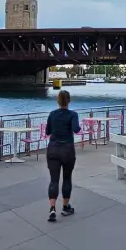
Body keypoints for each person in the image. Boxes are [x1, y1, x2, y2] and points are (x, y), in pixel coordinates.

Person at [45, 89, 80, 222]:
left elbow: (48, 131)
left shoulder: (52, 114)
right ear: (69, 101)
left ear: (58, 101)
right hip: (67, 149)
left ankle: (52, 208)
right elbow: (76, 129)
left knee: (54, 180)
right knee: (66, 178)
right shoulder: (73, 115)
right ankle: (65, 207)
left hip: (53, 148)